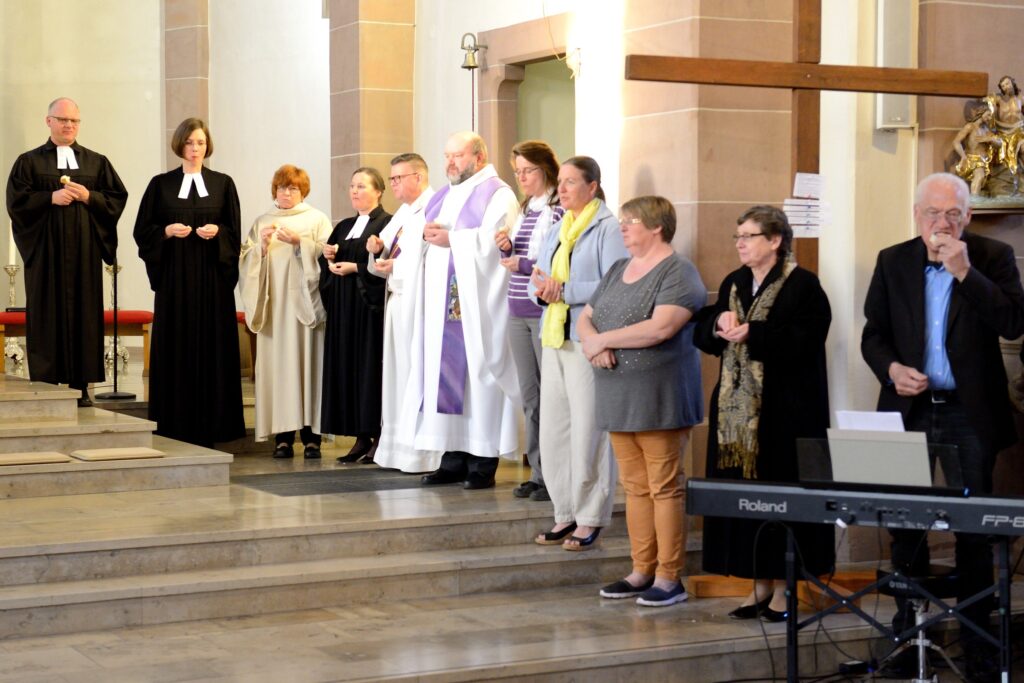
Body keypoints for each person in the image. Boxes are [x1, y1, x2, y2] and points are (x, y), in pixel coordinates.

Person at [861, 172, 1024, 680]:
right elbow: (873, 335)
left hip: (967, 413)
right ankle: (909, 639)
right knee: (904, 526)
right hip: (908, 410)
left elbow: (1013, 322)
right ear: (917, 215)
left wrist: (964, 273)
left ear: (968, 216)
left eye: (953, 213)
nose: (943, 222)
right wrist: (891, 369)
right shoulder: (893, 260)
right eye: (933, 212)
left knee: (973, 530)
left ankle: (978, 645)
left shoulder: (993, 256)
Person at [693, 205, 833, 622]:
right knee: (745, 502)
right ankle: (758, 585)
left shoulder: (804, 285)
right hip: (736, 419)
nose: (739, 243)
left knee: (778, 501)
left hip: (785, 415)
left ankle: (785, 590)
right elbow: (703, 330)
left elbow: (807, 339)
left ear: (775, 240)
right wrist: (718, 322)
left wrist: (755, 332)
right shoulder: (734, 282)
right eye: (737, 236)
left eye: (748, 236)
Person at [578, 196, 706, 607]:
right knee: (634, 488)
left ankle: (669, 578)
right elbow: (585, 316)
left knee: (663, 487)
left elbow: (660, 328)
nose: (623, 227)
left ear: (656, 226)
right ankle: (640, 570)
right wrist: (593, 343)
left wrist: (603, 340)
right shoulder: (619, 268)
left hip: (659, 394)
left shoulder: (678, 270)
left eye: (631, 220)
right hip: (617, 394)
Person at [407, 131, 521, 489]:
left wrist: (452, 239)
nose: (450, 163)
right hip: (439, 307)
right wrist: (424, 236)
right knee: (443, 376)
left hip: (473, 307)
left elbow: (498, 243)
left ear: (479, 157)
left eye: (457, 156)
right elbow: (419, 239)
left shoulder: (498, 194)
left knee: (477, 377)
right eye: (447, 156)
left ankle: (482, 461)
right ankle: (452, 457)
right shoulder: (444, 195)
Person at [531, 156, 627, 550]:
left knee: (589, 429)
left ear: (593, 186)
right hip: (554, 336)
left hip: (587, 339)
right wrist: (543, 290)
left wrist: (564, 291)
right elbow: (540, 278)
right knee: (554, 430)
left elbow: (615, 283)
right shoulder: (558, 228)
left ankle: (589, 517)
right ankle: (564, 511)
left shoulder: (608, 228)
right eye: (561, 182)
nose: (563, 188)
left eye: (571, 182)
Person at [6, 97, 128, 406]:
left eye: (74, 120)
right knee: (47, 313)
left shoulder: (96, 162)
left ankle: (81, 384)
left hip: (84, 254)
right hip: (46, 254)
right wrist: (49, 198)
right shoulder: (29, 162)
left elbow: (116, 198)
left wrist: (89, 197)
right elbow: (16, 203)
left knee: (85, 314)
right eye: (62, 120)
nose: (68, 125)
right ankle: (47, 384)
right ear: (48, 121)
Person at [133, 117, 245, 446]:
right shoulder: (160, 185)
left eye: (200, 143)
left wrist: (218, 232)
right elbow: (143, 231)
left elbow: (234, 232)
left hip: (212, 281)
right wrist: (166, 231)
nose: (195, 148)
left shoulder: (223, 184)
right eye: (189, 142)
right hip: (175, 281)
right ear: (179, 145)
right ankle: (174, 423)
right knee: (176, 343)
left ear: (207, 146)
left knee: (214, 345)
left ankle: (216, 424)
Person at [239, 165, 333, 459]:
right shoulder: (262, 221)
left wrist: (301, 243)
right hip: (274, 309)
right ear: (274, 191)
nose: (287, 193)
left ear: (303, 191)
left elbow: (330, 255)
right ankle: (282, 438)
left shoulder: (317, 219)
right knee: (279, 371)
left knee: (308, 369)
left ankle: (312, 438)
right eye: (282, 188)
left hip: (305, 309)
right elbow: (245, 261)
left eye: (293, 188)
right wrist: (261, 248)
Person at [494, 140, 563, 502]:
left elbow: (556, 261)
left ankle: (553, 476)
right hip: (517, 310)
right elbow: (520, 253)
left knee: (551, 398)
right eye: (517, 171)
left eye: (527, 171)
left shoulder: (558, 209)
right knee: (531, 397)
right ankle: (537, 473)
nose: (521, 178)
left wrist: (521, 263)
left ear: (545, 169)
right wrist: (506, 247)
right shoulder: (525, 208)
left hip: (542, 312)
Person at [366, 153, 441, 473]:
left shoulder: (435, 207)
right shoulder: (404, 212)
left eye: (399, 178)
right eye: (392, 178)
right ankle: (397, 448)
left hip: (420, 301)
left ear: (418, 177)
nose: (393, 184)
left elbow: (433, 257)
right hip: (398, 298)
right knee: (397, 373)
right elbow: (385, 248)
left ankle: (420, 452)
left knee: (414, 371)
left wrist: (394, 265)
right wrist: (376, 249)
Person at [320, 167, 391, 463]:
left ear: (378, 191)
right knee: (348, 368)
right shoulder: (344, 225)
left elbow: (387, 265)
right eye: (352, 186)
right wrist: (328, 256)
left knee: (369, 370)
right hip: (344, 310)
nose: (354, 191)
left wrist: (357, 268)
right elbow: (327, 267)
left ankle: (378, 436)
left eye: (361, 186)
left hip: (368, 312)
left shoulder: (387, 223)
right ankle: (360, 436)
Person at [952, 106, 1001, 196]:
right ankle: (975, 201)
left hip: (985, 161)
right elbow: (956, 142)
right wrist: (963, 156)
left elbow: (999, 144)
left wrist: (991, 139)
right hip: (973, 158)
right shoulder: (970, 126)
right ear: (981, 113)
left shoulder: (986, 130)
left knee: (983, 181)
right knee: (979, 176)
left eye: (991, 116)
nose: (990, 118)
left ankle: (976, 198)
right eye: (988, 115)